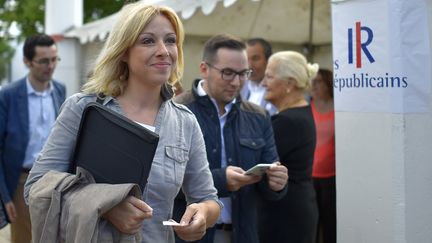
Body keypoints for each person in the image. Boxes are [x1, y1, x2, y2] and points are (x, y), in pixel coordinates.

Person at [23, 3, 221, 242]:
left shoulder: (185, 123)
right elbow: (35, 187)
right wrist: (105, 205)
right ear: (124, 51)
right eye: (148, 41)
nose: (163, 50)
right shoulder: (83, 108)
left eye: (170, 40)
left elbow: (209, 198)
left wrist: (203, 215)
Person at [173, 34, 288, 243]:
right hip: (191, 236)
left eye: (243, 73)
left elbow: (268, 187)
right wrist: (220, 180)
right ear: (204, 69)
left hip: (242, 234)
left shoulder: (258, 116)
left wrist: (276, 184)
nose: (236, 82)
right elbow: (160, 184)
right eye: (227, 73)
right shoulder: (176, 112)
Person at [0, 34, 66, 243]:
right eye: (44, 61)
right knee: (24, 239)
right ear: (27, 62)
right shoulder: (8, 95)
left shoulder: (59, 90)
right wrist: (4, 196)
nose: (51, 66)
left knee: (54, 236)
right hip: (21, 180)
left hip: (55, 179)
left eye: (54, 59)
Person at [258, 50, 319, 243]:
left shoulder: (287, 121)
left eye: (269, 77)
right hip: (296, 208)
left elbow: (256, 162)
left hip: (284, 215)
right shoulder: (300, 114)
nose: (262, 83)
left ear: (289, 84)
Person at [310, 68, 336, 243]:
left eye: (319, 81)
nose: (314, 85)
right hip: (310, 174)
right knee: (312, 220)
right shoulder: (307, 107)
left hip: (331, 176)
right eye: (313, 81)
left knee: (330, 221)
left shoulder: (339, 108)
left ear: (328, 84)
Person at [240, 38, 277, 115]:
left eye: (255, 58)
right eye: (245, 59)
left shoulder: (278, 89)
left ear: (268, 60)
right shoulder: (238, 87)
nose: (249, 65)